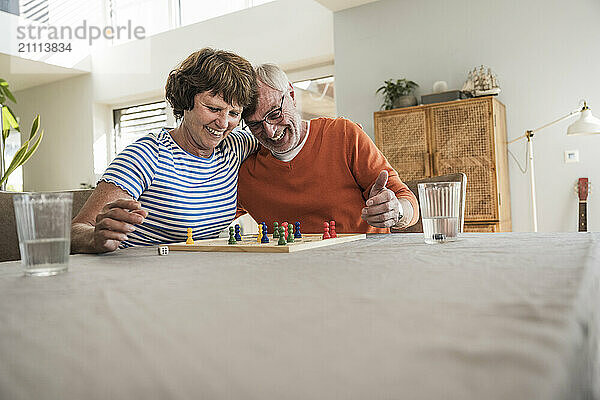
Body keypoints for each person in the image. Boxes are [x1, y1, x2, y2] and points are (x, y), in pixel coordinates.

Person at [72, 48, 258, 253]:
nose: (223, 123)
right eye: (213, 109)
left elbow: (285, 138)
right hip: (138, 274)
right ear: (186, 100)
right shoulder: (147, 155)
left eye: (234, 113)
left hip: (197, 274)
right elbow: (76, 230)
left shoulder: (236, 147)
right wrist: (96, 238)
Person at [236, 64, 418, 234]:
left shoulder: (344, 135)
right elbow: (213, 217)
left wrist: (396, 211)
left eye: (275, 113)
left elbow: (408, 202)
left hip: (366, 262)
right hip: (292, 268)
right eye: (255, 125)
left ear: (291, 95)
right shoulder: (246, 170)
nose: (270, 130)